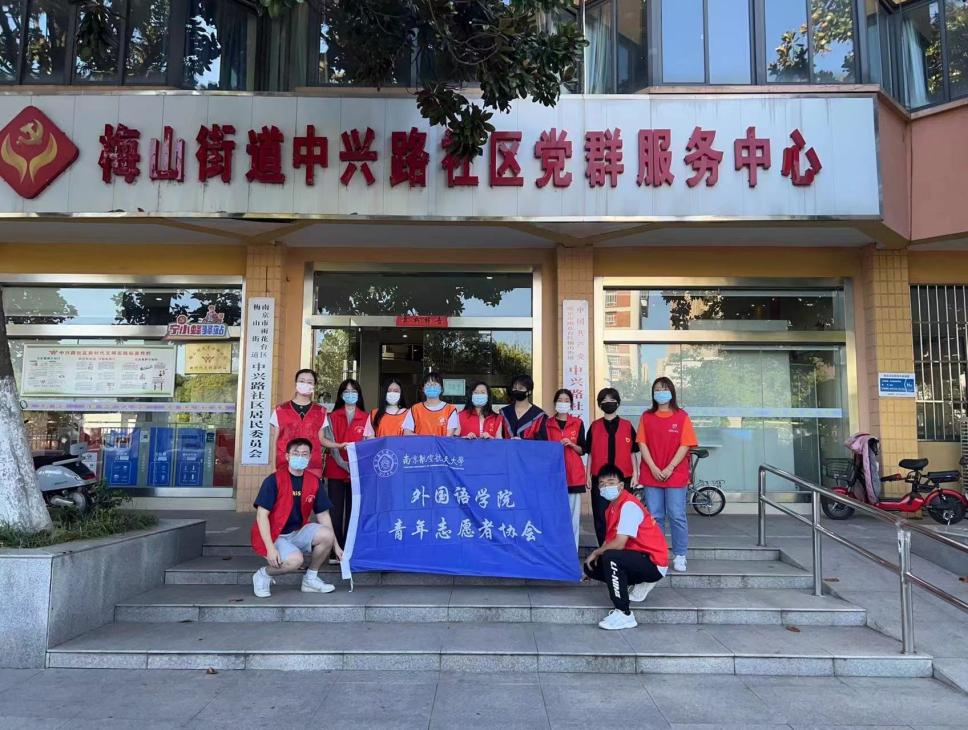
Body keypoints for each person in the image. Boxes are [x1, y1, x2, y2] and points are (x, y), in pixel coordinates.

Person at [250, 438, 341, 598]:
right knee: (295, 561)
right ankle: (263, 574)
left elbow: (323, 515)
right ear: (287, 456)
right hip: (275, 534)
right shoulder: (273, 480)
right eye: (296, 453)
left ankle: (310, 579)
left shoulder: (313, 481)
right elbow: (261, 515)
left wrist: (336, 546)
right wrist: (270, 548)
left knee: (327, 534)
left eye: (304, 454)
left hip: (298, 531)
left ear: (310, 457)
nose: (300, 457)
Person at [583, 463, 669, 630]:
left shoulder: (628, 505)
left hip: (653, 561)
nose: (606, 487)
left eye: (610, 482)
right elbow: (609, 540)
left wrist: (597, 552)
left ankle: (624, 613)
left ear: (621, 485)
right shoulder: (611, 508)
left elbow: (619, 543)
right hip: (636, 557)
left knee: (611, 557)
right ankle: (633, 582)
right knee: (591, 566)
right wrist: (594, 557)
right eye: (602, 484)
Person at [636, 377, 698, 573]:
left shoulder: (682, 416)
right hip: (652, 473)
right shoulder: (646, 416)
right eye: (657, 389)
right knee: (655, 516)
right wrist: (653, 467)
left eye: (664, 389)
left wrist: (670, 467)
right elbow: (642, 443)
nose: (660, 392)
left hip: (676, 473)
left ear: (671, 392)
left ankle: (680, 555)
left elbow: (685, 444)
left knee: (677, 515)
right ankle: (658, 554)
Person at [585, 387, 639, 547]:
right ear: (600, 404)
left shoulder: (627, 426)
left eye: (612, 400)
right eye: (604, 401)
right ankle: (603, 549)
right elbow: (590, 454)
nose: (608, 403)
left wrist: (636, 474)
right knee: (601, 516)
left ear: (618, 403)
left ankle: (621, 549)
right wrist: (587, 476)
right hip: (600, 480)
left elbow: (633, 452)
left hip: (623, 479)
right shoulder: (594, 426)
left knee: (623, 515)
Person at [268, 369, 346, 478]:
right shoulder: (280, 410)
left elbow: (321, 439)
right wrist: (273, 467)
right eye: (302, 381)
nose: (305, 384)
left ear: (314, 386)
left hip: (311, 464)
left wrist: (339, 445)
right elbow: (275, 441)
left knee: (310, 489)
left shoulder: (320, 411)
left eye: (309, 382)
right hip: (285, 463)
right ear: (296, 383)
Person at [322, 379, 371, 552]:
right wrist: (343, 461)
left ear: (359, 394)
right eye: (347, 391)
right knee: (334, 511)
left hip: (357, 471)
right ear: (341, 395)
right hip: (335, 469)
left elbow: (368, 444)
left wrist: (356, 465)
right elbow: (327, 442)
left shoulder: (366, 417)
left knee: (353, 511)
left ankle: (349, 549)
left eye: (354, 391)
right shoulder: (331, 416)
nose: (350, 395)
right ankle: (335, 550)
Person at [534, 388, 586, 548]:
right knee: (553, 515)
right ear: (555, 403)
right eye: (560, 400)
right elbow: (540, 450)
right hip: (553, 475)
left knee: (573, 517)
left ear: (572, 404)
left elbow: (582, 450)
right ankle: (556, 550)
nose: (563, 403)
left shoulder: (578, 423)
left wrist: (572, 445)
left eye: (566, 400)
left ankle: (572, 551)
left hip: (573, 475)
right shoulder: (546, 423)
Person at [403, 372, 458, 436]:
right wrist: (426, 439)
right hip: (420, 443)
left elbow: (449, 436)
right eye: (428, 384)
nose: (431, 386)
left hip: (441, 443)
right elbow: (407, 433)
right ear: (423, 389)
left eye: (435, 384)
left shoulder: (450, 409)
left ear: (442, 389)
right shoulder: (415, 409)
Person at [500, 373, 545, 439]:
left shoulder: (539, 415)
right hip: (507, 446)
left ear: (529, 391)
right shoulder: (504, 412)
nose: (517, 390)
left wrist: (523, 442)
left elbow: (542, 441)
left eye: (521, 388)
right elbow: (498, 437)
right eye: (515, 388)